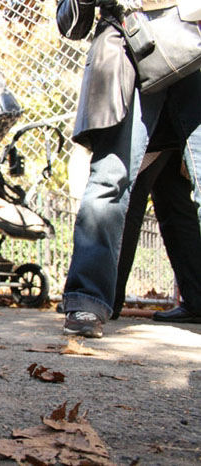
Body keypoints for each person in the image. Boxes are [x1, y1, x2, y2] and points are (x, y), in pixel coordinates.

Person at [56, 0, 201, 337]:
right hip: (130, 47)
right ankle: (88, 300)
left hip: (192, 42)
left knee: (172, 195)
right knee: (112, 177)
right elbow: (72, 23)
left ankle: (195, 298)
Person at [112, 148, 201, 323]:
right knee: (172, 198)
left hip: (157, 130)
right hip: (177, 129)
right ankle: (197, 300)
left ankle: (106, 296)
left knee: (129, 192)